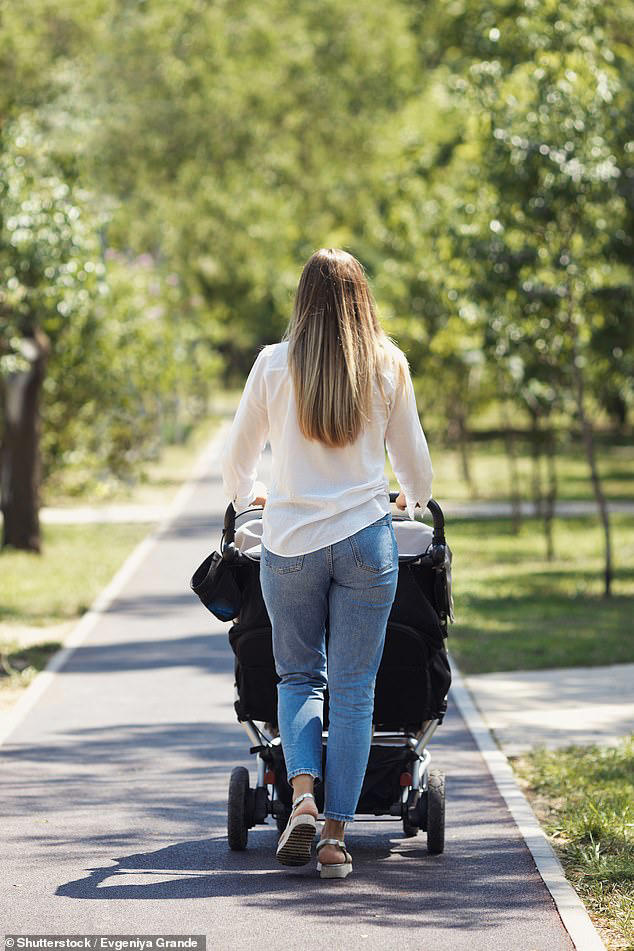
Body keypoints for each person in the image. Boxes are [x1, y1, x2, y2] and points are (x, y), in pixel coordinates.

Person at [221, 247, 433, 879]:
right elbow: (415, 465)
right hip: (366, 539)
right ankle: (336, 839)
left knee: (296, 678)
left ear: (303, 299)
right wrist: (411, 499)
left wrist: (248, 498)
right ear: (362, 299)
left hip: (290, 542)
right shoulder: (387, 364)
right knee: (354, 690)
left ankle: (303, 798)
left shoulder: (273, 363)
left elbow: (238, 458)